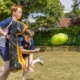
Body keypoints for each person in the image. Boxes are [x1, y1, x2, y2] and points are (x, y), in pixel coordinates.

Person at [0, 4, 23, 80]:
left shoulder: (16, 23)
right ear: (13, 12)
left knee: (10, 65)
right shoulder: (9, 20)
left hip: (7, 45)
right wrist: (5, 35)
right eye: (19, 12)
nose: (21, 14)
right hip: (2, 43)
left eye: (21, 12)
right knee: (9, 63)